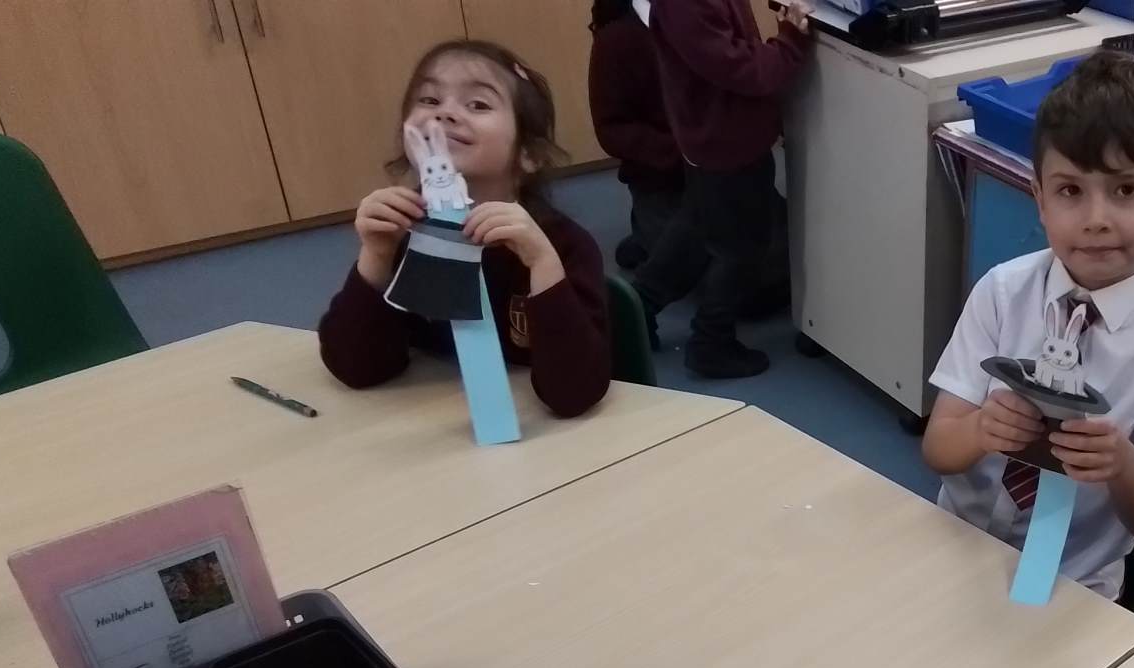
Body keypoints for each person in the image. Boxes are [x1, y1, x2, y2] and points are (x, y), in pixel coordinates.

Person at [919, 50, 1134, 599]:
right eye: (1070, 191)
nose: (1096, 219)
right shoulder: (1002, 293)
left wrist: (1122, 465)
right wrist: (980, 430)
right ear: (1040, 200)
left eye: (1126, 190)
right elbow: (938, 448)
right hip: (954, 544)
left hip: (1073, 581)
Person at [319, 41, 612, 418]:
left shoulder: (562, 245)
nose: (445, 113)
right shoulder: (406, 232)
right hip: (432, 421)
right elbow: (356, 369)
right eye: (429, 100)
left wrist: (543, 265)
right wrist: (376, 254)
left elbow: (574, 394)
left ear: (529, 153)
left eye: (478, 104)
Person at [636, 0, 812, 378]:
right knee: (742, 247)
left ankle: (635, 309)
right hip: (726, 140)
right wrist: (789, 43)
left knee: (698, 226)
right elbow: (742, 69)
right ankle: (711, 341)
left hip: (713, 134)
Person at [587, 0, 682, 272]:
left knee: (764, 262)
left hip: (721, 170)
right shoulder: (616, 39)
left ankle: (646, 236)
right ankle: (644, 236)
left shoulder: (707, 17)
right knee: (688, 269)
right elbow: (611, 129)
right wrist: (679, 151)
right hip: (665, 177)